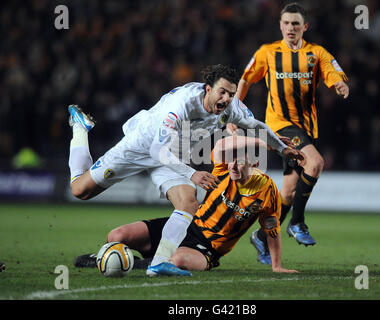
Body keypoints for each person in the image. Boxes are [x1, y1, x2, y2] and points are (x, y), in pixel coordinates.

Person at [67, 64, 305, 276]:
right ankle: (80, 127)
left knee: (188, 203)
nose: (226, 98)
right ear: (207, 88)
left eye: (231, 94)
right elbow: (157, 151)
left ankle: (158, 262)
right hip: (142, 147)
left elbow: (256, 125)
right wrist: (193, 173)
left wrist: (283, 149)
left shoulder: (230, 108)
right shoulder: (180, 105)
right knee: (80, 190)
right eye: (222, 92)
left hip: (173, 156)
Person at [227, 3, 349, 261]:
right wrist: (234, 113)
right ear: (280, 25)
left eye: (296, 23)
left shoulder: (316, 53)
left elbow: (332, 71)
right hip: (280, 126)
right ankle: (298, 224)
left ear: (305, 26)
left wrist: (338, 83)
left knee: (289, 193)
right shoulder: (268, 53)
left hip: (306, 128)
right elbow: (246, 79)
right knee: (315, 163)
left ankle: (261, 237)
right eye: (286, 23)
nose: (290, 28)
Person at [74, 136, 299, 274]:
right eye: (232, 160)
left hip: (208, 248)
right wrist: (266, 142)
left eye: (241, 162)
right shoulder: (223, 170)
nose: (234, 166)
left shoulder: (267, 191)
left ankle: (117, 263)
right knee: (117, 235)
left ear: (255, 164)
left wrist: (276, 266)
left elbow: (271, 228)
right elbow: (222, 145)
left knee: (177, 260)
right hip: (186, 225)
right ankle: (125, 260)